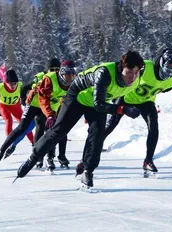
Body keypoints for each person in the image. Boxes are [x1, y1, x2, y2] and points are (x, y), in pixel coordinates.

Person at [16, 50, 144, 188]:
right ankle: (33, 158)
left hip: (98, 102)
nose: (133, 76)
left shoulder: (136, 80)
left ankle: (88, 170)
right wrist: (123, 109)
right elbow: (99, 104)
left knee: (97, 135)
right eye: (130, 71)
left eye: (136, 72)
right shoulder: (105, 73)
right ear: (121, 68)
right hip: (78, 96)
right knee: (59, 131)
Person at [76, 48, 172, 176]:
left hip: (146, 101)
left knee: (154, 127)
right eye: (169, 64)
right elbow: (125, 73)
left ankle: (148, 160)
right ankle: (84, 159)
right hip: (125, 97)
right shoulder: (146, 67)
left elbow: (164, 89)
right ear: (161, 62)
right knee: (107, 127)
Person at [0, 60, 77, 169]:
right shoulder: (47, 78)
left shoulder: (72, 82)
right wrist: (23, 100)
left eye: (56, 69)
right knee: (23, 127)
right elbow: (38, 96)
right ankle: (1, 151)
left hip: (50, 107)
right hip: (35, 103)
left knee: (53, 131)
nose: (54, 71)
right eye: (52, 69)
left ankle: (50, 157)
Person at [0, 69, 34, 145]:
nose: (13, 85)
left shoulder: (20, 85)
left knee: (24, 123)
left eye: (15, 83)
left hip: (15, 106)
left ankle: (33, 141)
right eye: (11, 83)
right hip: (3, 105)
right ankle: (9, 143)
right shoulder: (0, 87)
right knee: (9, 120)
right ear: (6, 83)